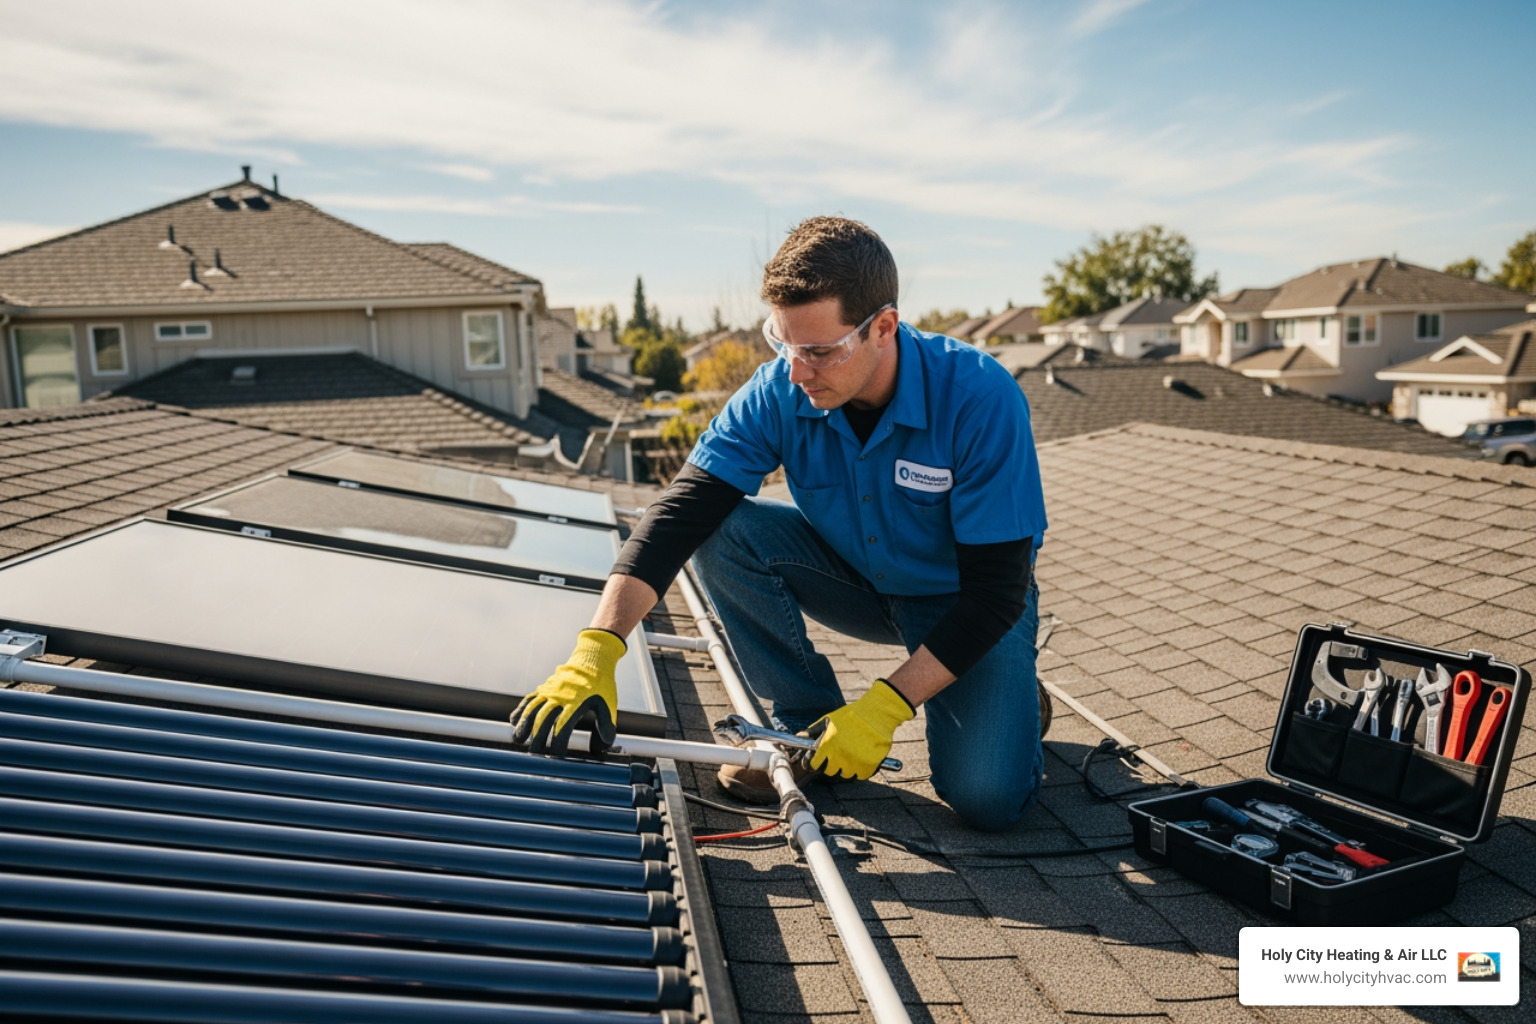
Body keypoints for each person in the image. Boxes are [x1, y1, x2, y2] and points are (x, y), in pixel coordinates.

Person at [511, 216, 1048, 831]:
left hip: (964, 605)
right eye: (783, 343)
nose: (797, 371)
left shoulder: (980, 398)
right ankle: (804, 722)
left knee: (988, 798)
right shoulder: (781, 388)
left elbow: (996, 590)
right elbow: (681, 512)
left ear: (884, 327)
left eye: (820, 352)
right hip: (858, 582)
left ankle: (1019, 704)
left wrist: (885, 707)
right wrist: (596, 648)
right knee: (721, 524)